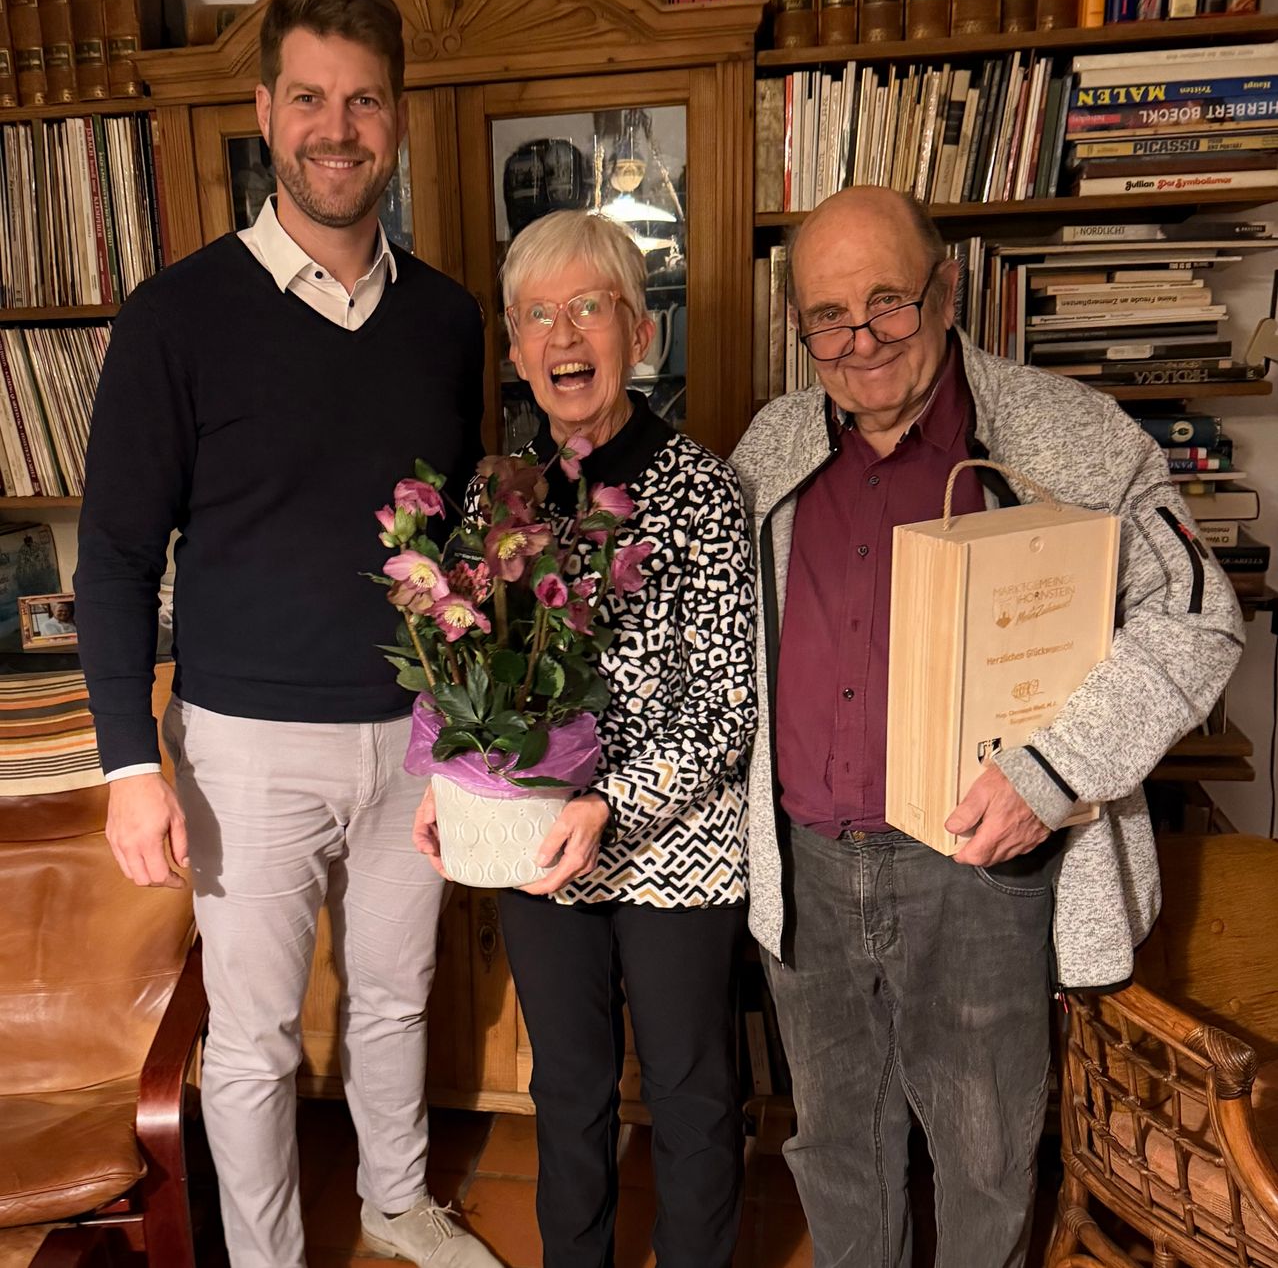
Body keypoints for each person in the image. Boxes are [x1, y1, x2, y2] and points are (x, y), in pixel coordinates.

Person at [730, 186, 1243, 1268]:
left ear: (947, 289)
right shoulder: (770, 445)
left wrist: (1051, 773)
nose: (859, 340)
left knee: (983, 1155)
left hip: (980, 868)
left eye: (888, 303)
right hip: (807, 866)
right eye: (828, 316)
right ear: (800, 326)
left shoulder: (1071, 436)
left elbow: (1199, 619)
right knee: (833, 1147)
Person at [75, 0, 496, 1268]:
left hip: (413, 745)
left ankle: (394, 1198)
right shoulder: (176, 318)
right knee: (253, 1038)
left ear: (399, 121)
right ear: (265, 112)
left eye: (364, 101)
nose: (337, 126)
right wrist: (127, 765)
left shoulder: (445, 321)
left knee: (395, 998)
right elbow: (112, 553)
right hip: (241, 749)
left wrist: (475, 733)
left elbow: (460, 536)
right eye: (309, 97)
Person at [415, 210, 757, 1268]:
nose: (566, 335)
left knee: (695, 1089)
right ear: (515, 351)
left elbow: (730, 705)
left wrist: (611, 804)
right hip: (532, 845)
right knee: (564, 1083)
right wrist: (443, 776)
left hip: (678, 848)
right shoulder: (492, 495)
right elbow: (463, 662)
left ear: (639, 333)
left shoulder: (702, 489)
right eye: (538, 315)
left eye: (591, 308)